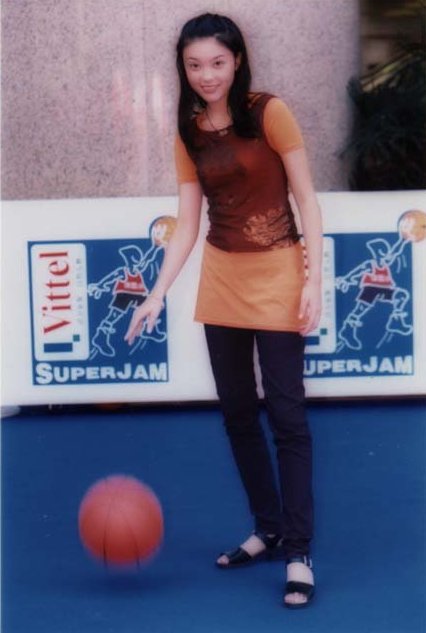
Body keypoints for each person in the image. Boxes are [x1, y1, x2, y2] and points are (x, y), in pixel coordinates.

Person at [125, 12, 322, 609]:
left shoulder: (269, 113)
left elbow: (306, 199)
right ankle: (268, 529)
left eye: (217, 62)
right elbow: (188, 223)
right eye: (194, 65)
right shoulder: (188, 132)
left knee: (286, 415)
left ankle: (299, 551)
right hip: (223, 279)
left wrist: (315, 279)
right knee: (238, 414)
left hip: (280, 272)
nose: (206, 75)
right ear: (182, 69)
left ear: (237, 60)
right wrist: (157, 292)